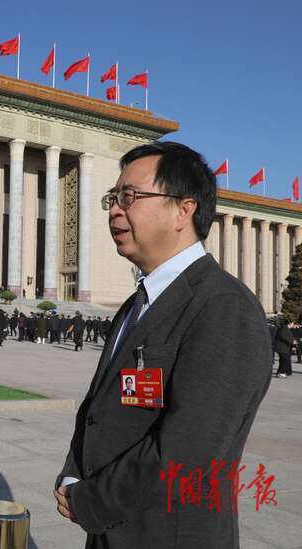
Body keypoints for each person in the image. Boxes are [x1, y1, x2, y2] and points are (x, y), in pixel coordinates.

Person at [54, 142, 272, 548]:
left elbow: (189, 449)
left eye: (129, 196)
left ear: (183, 210)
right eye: (112, 198)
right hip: (113, 530)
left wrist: (93, 500)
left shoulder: (223, 307)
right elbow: (100, 409)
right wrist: (74, 474)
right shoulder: (138, 304)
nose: (114, 210)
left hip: (168, 535)